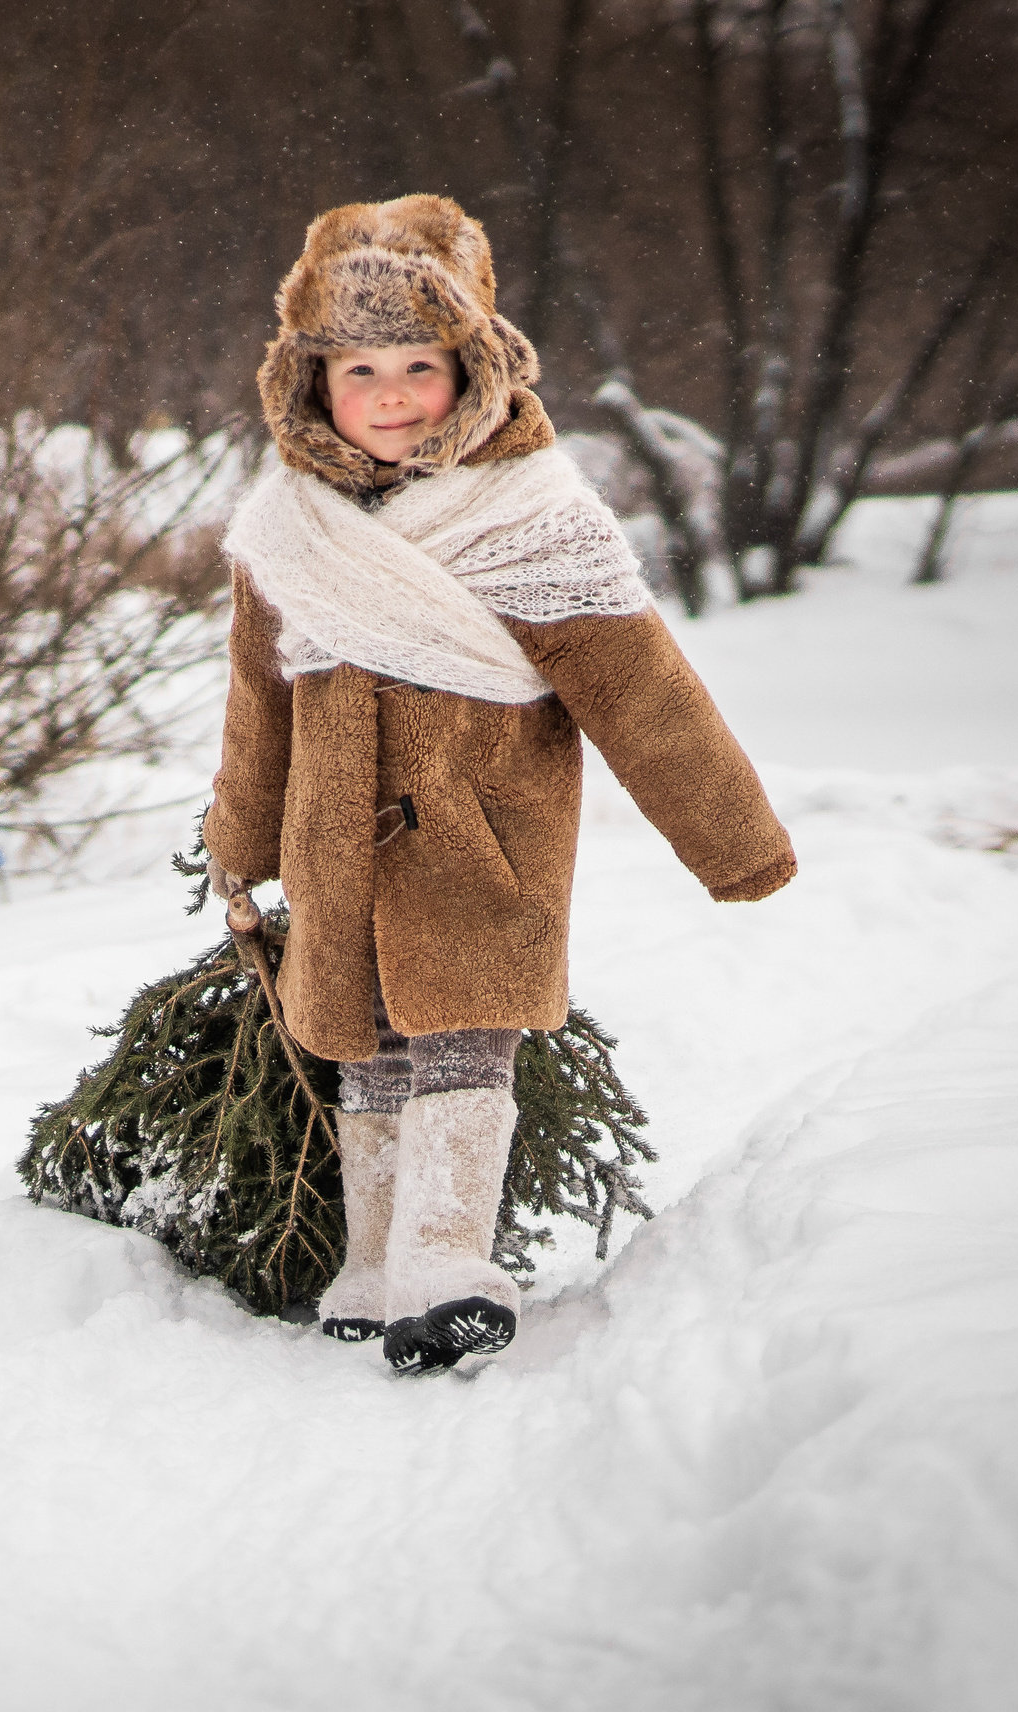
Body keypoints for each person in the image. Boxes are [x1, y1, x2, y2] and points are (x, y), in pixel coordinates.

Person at [202, 195, 794, 1375]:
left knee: (463, 1042)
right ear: (308, 381)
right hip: (334, 846)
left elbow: (642, 691)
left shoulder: (535, 517)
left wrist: (735, 843)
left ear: (469, 366)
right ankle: (372, 1267)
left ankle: (444, 1261)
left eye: (418, 364)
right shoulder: (287, 532)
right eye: (355, 366)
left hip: (484, 836)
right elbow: (258, 703)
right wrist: (240, 841)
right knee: (364, 1050)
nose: (386, 394)